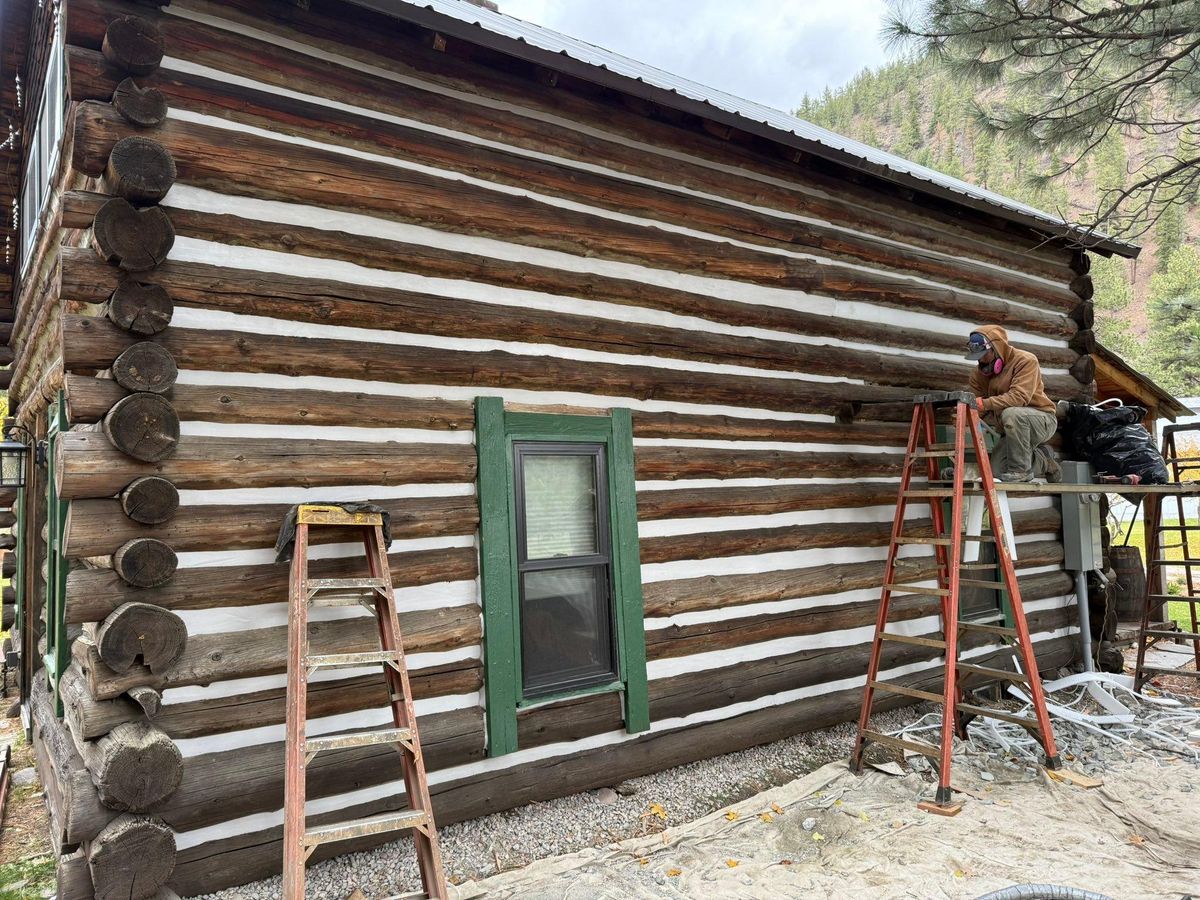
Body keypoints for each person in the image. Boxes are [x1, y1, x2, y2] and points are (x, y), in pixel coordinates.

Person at [965, 324, 1062, 483]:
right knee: (997, 471)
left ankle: (1020, 471)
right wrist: (965, 415)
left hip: (1042, 420)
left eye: (984, 354)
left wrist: (983, 404)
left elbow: (1019, 397)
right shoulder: (977, 374)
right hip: (1011, 427)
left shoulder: (1025, 360)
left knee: (1012, 413)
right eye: (977, 356)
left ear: (997, 347)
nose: (980, 360)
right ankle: (1044, 461)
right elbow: (978, 405)